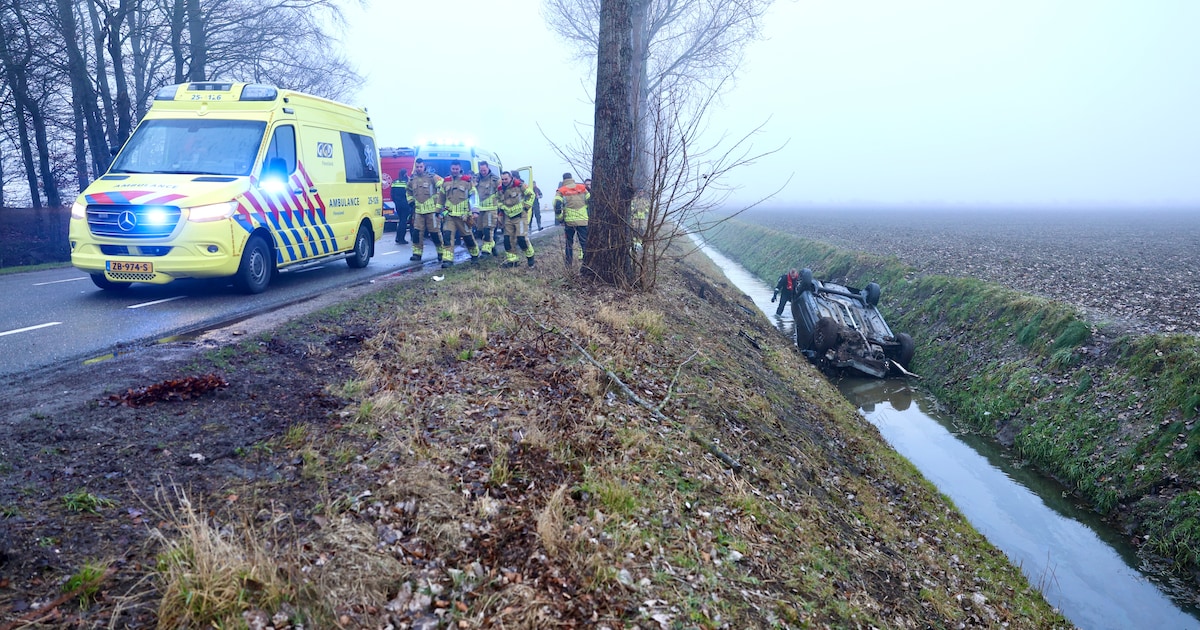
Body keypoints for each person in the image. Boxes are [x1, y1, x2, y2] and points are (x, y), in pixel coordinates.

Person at [439, 160, 479, 266]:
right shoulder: (446, 181)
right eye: (453, 169)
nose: (455, 171)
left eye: (457, 169)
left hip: (463, 216)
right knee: (447, 236)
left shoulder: (467, 181)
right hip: (449, 215)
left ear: (460, 168)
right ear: (450, 168)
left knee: (467, 237)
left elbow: (474, 196)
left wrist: (475, 211)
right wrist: (437, 211)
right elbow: (441, 197)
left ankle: (475, 255)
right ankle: (447, 259)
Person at [406, 159, 446, 263]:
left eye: (421, 167)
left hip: (432, 211)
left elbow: (443, 187)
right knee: (417, 233)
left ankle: (441, 253)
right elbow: (408, 191)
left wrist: (438, 200)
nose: (419, 169)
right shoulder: (412, 179)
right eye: (417, 167)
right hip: (418, 212)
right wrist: (410, 201)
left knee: (435, 233)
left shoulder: (432, 177)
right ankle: (417, 254)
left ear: (424, 167)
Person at [498, 170, 536, 268]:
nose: (504, 181)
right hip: (508, 217)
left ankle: (530, 258)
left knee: (522, 239)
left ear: (511, 178)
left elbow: (531, 194)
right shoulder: (500, 189)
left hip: (520, 216)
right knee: (507, 240)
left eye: (506, 179)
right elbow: (497, 200)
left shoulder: (520, 185)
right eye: (503, 179)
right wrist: (501, 208)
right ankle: (512, 261)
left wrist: (526, 207)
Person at [554, 172, 589, 267]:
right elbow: (590, 200)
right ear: (572, 178)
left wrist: (560, 219)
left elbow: (557, 205)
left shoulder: (561, 190)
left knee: (569, 244)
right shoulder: (582, 188)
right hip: (583, 220)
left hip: (569, 222)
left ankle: (568, 266)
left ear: (563, 179)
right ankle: (587, 265)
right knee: (584, 243)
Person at [473, 161, 501, 257]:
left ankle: (486, 250)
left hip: (491, 209)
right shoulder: (476, 178)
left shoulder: (495, 179)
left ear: (488, 168)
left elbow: (501, 192)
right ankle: (492, 245)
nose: (483, 172)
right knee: (480, 232)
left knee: (487, 230)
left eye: (484, 170)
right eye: (481, 170)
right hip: (479, 210)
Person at [391, 168, 410, 244]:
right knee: (403, 221)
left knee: (401, 220)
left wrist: (396, 202)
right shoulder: (407, 183)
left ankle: (398, 238)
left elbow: (392, 194)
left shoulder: (395, 182)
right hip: (405, 204)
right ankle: (401, 239)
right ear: (405, 174)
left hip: (398, 204)